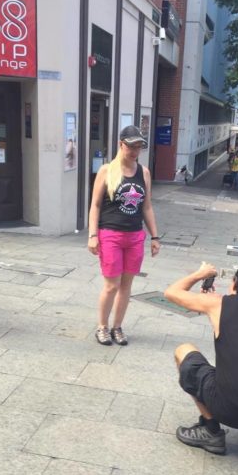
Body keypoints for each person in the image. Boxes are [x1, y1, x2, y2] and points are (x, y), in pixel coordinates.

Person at [164, 262, 238, 456]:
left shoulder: (220, 303)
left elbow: (171, 292)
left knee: (184, 350)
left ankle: (211, 431)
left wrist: (199, 274)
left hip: (231, 411)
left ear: (235, 283)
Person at [88, 125, 160, 346]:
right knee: (111, 284)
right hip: (110, 233)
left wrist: (155, 237)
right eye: (131, 146)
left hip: (134, 236)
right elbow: (96, 205)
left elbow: (146, 207)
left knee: (127, 286)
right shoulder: (107, 171)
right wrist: (93, 235)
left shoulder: (144, 172)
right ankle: (102, 327)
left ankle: (117, 327)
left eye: (139, 146)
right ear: (121, 144)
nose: (135, 151)